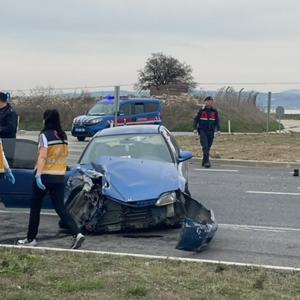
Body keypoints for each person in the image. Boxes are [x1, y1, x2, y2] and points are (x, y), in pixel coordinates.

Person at [17, 109, 85, 249]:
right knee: (60, 208)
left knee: (35, 207)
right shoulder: (63, 136)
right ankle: (76, 233)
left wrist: (38, 176)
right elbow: (63, 156)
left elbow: (42, 156)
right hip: (59, 177)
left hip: (44, 176)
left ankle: (31, 238)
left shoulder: (44, 135)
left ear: (46, 119)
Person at [193, 96, 220, 168]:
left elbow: (217, 121)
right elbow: (196, 119)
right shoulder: (201, 110)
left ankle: (204, 160)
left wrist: (218, 130)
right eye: (209, 101)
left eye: (211, 101)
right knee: (205, 146)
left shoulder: (214, 111)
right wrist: (195, 128)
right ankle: (207, 162)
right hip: (203, 130)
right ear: (206, 102)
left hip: (211, 131)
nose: (210, 103)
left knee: (208, 147)